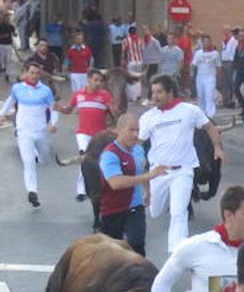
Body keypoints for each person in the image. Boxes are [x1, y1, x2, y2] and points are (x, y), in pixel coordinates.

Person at [139, 75, 227, 252]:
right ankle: (166, 201)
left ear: (170, 92)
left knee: (179, 214)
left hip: (183, 171)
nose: (154, 96)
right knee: (155, 211)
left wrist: (217, 148)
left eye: (159, 92)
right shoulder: (147, 117)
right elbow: (138, 143)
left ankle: (177, 252)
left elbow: (209, 127)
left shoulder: (189, 111)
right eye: (153, 92)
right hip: (158, 171)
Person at [97, 114, 166, 254]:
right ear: (119, 130)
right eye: (131, 130)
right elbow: (115, 183)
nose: (135, 135)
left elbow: (141, 170)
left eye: (138, 130)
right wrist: (149, 176)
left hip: (135, 207)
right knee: (111, 253)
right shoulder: (109, 154)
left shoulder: (139, 150)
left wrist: (147, 191)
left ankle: (139, 275)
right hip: (112, 209)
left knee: (137, 243)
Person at [0, 60, 59, 207]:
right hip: (23, 131)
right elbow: (9, 102)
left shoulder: (45, 91)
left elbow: (53, 109)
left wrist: (54, 123)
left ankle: (40, 158)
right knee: (28, 162)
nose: (34, 75)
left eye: (37, 73)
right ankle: (32, 191)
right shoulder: (17, 88)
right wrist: (1, 114)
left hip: (41, 131)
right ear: (26, 73)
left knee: (44, 159)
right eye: (32, 72)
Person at [56, 68, 117, 201]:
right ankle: (81, 190)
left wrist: (113, 108)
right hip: (83, 133)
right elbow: (68, 110)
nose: (98, 83)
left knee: (100, 161)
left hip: (100, 135)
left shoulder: (106, 95)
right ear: (88, 80)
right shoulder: (78, 94)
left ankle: (102, 186)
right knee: (85, 158)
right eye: (95, 80)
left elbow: (114, 114)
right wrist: (59, 108)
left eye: (100, 81)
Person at [192, 34, 222, 118]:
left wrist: (219, 77)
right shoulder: (198, 53)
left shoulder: (215, 53)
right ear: (202, 43)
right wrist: (191, 74)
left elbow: (219, 66)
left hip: (211, 78)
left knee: (209, 97)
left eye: (209, 42)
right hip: (200, 78)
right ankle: (202, 116)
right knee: (201, 97)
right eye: (205, 42)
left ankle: (210, 116)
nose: (207, 43)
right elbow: (194, 65)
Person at [122, 26, 147, 105]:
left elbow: (123, 51)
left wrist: (122, 61)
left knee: (131, 80)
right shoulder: (140, 40)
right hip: (139, 61)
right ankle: (138, 95)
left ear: (129, 32)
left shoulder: (126, 40)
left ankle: (132, 97)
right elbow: (143, 50)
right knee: (138, 79)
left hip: (131, 61)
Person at [231, 28, 244, 121]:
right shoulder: (238, 45)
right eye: (240, 36)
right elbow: (236, 57)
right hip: (239, 70)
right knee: (235, 88)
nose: (241, 37)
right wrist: (234, 67)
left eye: (243, 36)